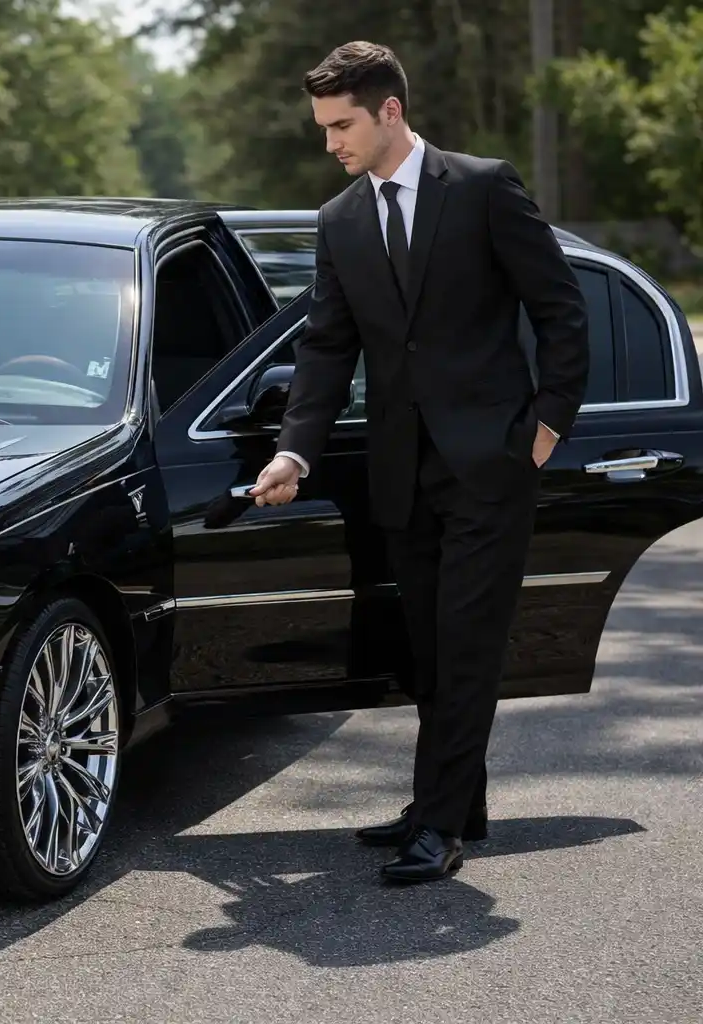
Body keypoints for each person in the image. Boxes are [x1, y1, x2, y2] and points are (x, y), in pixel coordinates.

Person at [247, 41, 589, 883]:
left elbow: (561, 312)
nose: (331, 143)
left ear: (390, 111)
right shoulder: (340, 222)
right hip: (402, 475)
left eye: (343, 124)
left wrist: (543, 430)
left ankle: (439, 827)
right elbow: (328, 350)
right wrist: (295, 448)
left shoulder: (481, 188)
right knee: (430, 653)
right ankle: (450, 803)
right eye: (323, 127)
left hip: (490, 469)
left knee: (469, 648)